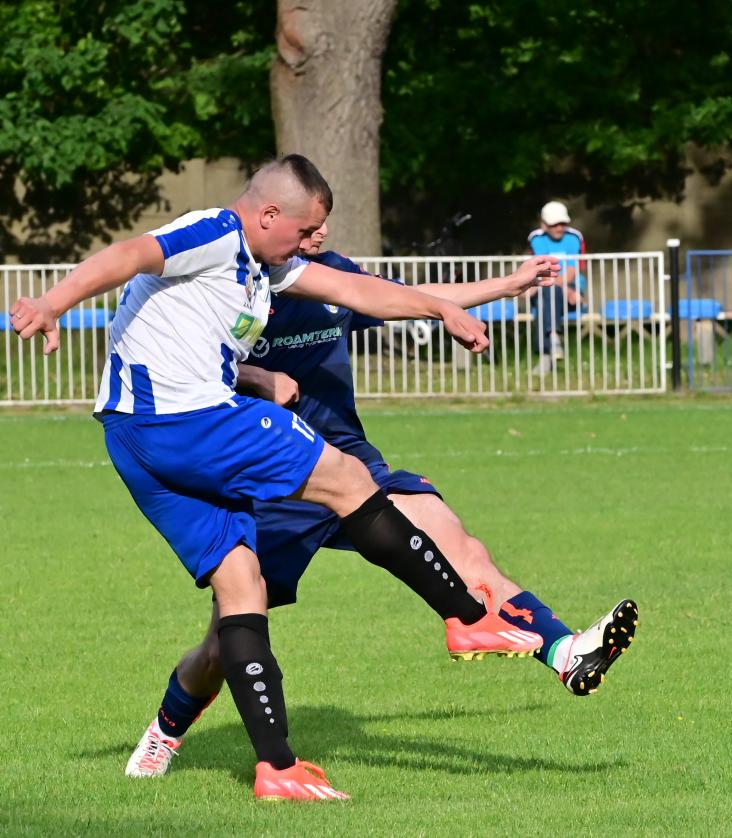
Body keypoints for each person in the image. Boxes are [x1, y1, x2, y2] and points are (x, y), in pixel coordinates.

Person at [8, 154, 546, 801]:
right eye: (304, 230)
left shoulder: (265, 265)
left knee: (243, 587)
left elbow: (359, 292)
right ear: (267, 214)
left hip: (132, 438)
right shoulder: (215, 232)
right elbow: (130, 254)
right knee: (347, 476)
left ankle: (278, 769)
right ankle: (466, 617)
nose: (312, 241)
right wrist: (53, 302)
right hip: (188, 421)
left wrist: (439, 308)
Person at [124, 224, 639, 780]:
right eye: (308, 222)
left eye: (324, 219)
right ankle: (165, 732)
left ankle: (565, 652)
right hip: (273, 482)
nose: (320, 229)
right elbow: (183, 364)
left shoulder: (334, 276)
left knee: (463, 550)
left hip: (352, 464)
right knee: (222, 646)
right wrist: (255, 375)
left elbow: (406, 296)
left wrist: (507, 285)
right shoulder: (232, 283)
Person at [527, 201, 587, 375]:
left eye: (563, 223)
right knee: (547, 294)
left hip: (571, 292)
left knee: (544, 302)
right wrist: (563, 288)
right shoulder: (537, 239)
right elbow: (543, 271)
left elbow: (571, 272)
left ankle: (545, 356)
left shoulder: (573, 238)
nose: (560, 228)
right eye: (554, 224)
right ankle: (553, 337)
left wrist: (567, 289)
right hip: (550, 289)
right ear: (544, 225)